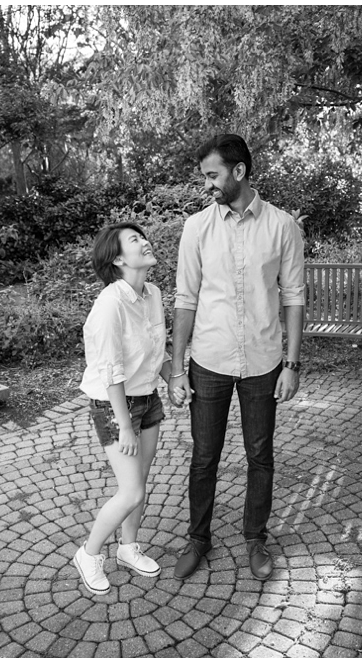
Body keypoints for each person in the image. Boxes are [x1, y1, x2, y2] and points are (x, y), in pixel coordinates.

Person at [168, 133, 305, 581]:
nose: (206, 184)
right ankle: (198, 538)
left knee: (260, 455)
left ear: (239, 172)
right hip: (208, 360)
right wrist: (176, 369)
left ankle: (255, 538)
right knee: (204, 456)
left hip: (264, 363)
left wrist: (291, 363)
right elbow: (185, 299)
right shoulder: (197, 228)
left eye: (213, 175)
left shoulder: (283, 226)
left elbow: (294, 297)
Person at [73, 222, 180, 595]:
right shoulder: (109, 304)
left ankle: (129, 548)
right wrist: (123, 424)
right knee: (131, 491)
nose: (145, 241)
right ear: (118, 258)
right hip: (113, 404)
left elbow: (155, 352)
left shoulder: (152, 293)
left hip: (147, 397)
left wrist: (172, 378)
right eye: (135, 240)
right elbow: (110, 370)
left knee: (141, 482)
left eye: (142, 236)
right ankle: (88, 554)